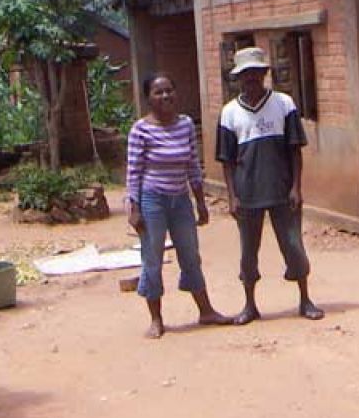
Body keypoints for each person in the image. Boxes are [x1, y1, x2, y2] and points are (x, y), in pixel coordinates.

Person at [215, 46, 324, 324]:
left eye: (256, 73)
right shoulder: (229, 113)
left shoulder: (284, 104)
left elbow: (295, 150)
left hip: (282, 189)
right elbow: (226, 161)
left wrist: (296, 187)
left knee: (293, 246)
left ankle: (305, 299)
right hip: (247, 193)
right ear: (238, 78)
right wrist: (232, 196)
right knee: (248, 253)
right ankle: (250, 305)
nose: (251, 79)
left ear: (264, 74)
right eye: (245, 74)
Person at [126, 73, 231, 339]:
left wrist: (200, 203)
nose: (165, 97)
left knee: (190, 255)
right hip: (152, 201)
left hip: (181, 200)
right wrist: (134, 208)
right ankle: (156, 319)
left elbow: (193, 166)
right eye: (158, 92)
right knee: (152, 260)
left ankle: (206, 311)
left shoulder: (185, 125)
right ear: (148, 98)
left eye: (169, 91)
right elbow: (134, 171)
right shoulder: (141, 129)